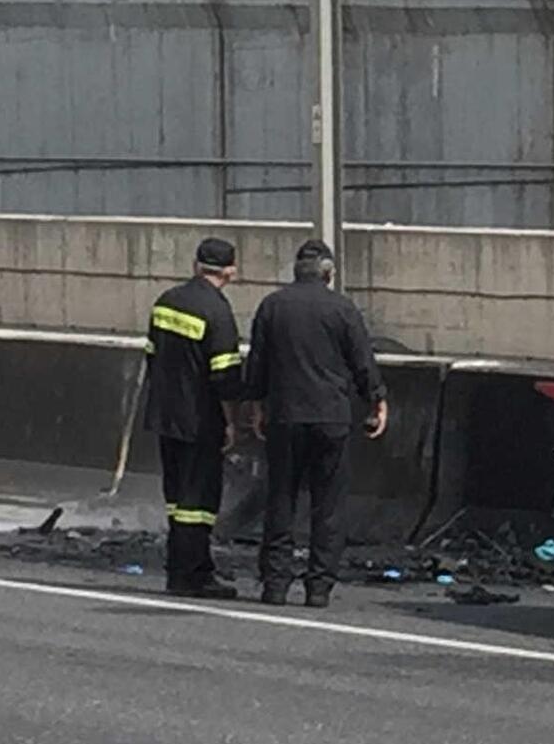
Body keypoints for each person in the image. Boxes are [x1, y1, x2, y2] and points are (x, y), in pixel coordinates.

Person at [244, 240, 388, 608]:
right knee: (328, 505)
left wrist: (257, 404)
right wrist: (376, 400)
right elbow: (362, 360)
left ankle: (275, 584)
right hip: (331, 416)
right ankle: (319, 587)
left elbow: (258, 363)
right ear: (329, 274)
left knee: (281, 499)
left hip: (285, 415)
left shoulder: (272, 306)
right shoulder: (342, 308)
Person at [142, 237, 246, 599]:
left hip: (165, 415)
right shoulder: (217, 312)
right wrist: (231, 421)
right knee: (198, 503)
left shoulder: (166, 301)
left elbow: (152, 355)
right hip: (200, 420)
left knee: (175, 498)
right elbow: (225, 377)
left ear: (196, 265)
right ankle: (193, 574)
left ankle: (178, 569)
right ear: (230, 271)